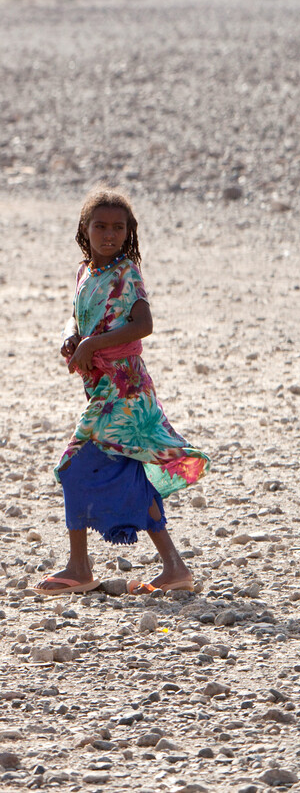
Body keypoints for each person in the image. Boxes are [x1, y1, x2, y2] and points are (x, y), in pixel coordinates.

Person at [36, 189, 210, 597]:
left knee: (74, 466)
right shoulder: (85, 272)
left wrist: (92, 345)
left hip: (124, 390)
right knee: (131, 470)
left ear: (129, 232)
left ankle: (79, 567)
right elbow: (76, 313)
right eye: (101, 226)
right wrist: (72, 336)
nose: (110, 234)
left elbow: (143, 324)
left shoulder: (126, 272)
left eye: (119, 227)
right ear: (85, 229)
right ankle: (174, 567)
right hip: (103, 387)